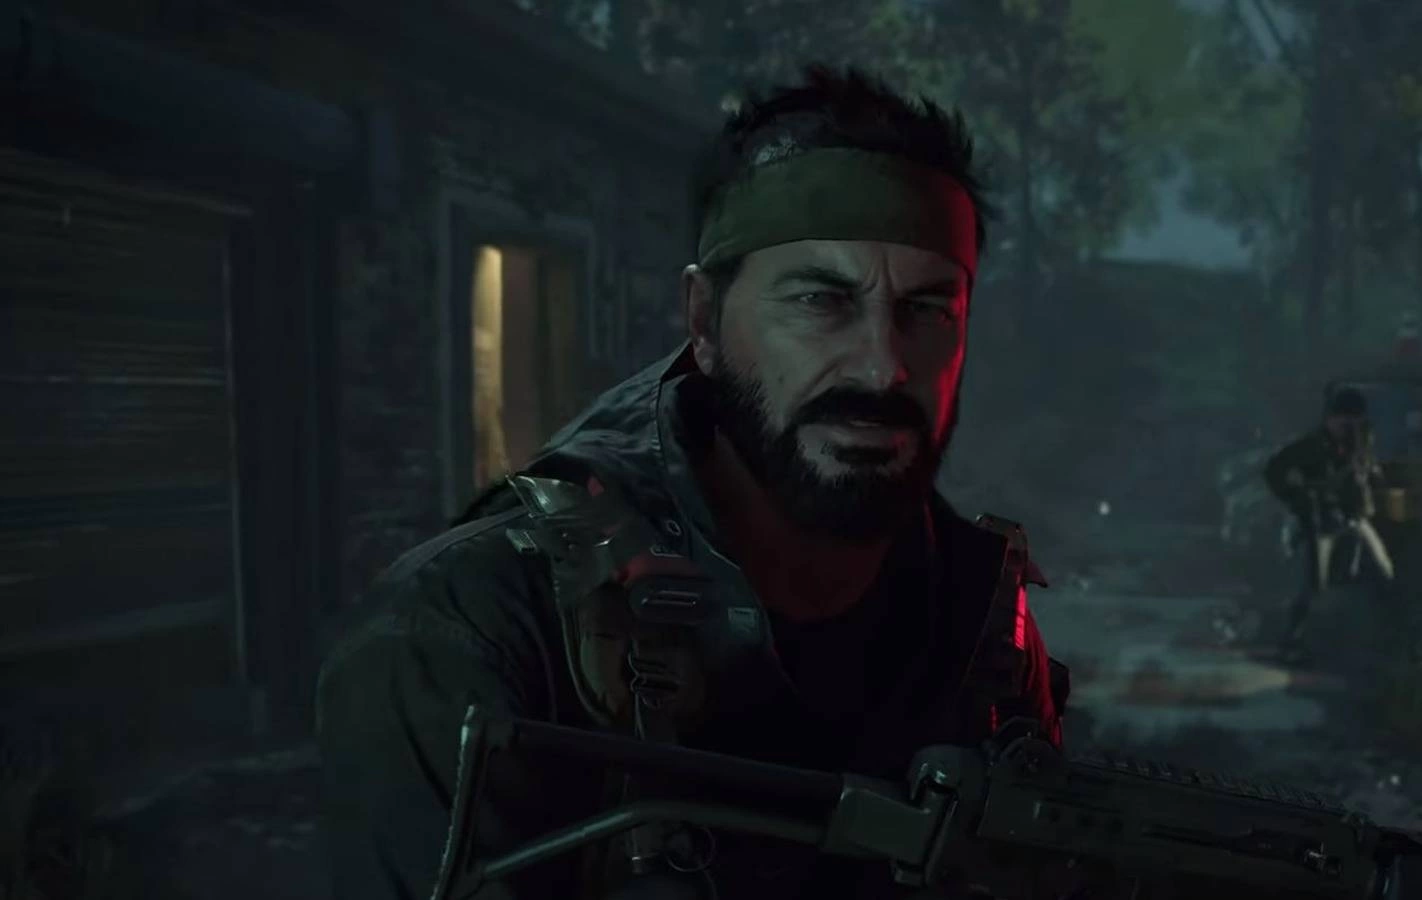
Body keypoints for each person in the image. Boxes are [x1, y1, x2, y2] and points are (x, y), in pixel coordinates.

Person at [316, 65, 1063, 900]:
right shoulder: (476, 628)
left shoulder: (983, 628)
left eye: (928, 311)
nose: (882, 366)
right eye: (821, 301)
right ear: (704, 321)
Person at [1263, 387, 1395, 660]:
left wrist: (1370, 472)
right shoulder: (1312, 446)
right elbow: (1275, 470)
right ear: (1331, 419)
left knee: (1384, 572)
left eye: (1354, 420)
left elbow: (1370, 474)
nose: (1349, 426)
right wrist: (1298, 497)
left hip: (1354, 518)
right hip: (1321, 521)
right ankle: (1293, 641)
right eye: (1344, 420)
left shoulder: (1359, 444)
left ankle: (1384, 639)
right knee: (1315, 586)